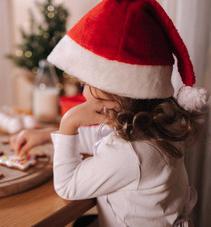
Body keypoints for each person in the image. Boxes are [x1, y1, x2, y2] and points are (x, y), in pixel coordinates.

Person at [11, 0, 209, 226]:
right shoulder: (156, 126)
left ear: (116, 92)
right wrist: (47, 135)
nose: (83, 94)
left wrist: (69, 123)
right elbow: (101, 137)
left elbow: (67, 186)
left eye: (85, 84)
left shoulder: (132, 153)